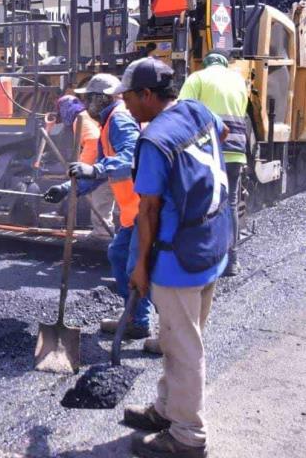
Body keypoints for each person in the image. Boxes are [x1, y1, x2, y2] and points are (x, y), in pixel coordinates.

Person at [118, 57, 231, 458]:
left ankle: (187, 437)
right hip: (213, 240)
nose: (126, 106)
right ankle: (168, 409)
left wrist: (140, 267)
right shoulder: (197, 110)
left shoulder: (153, 141)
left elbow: (147, 210)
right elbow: (225, 132)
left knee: (183, 346)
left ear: (147, 95)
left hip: (178, 256)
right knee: (178, 336)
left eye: (129, 97)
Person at [44, 75, 154, 340]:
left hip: (144, 208)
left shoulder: (120, 119)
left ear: (101, 97)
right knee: (117, 255)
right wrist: (68, 190)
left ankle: (149, 321)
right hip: (131, 212)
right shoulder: (107, 123)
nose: (84, 103)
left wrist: (96, 168)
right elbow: (100, 174)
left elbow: (130, 157)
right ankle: (135, 317)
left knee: (134, 267)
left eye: (88, 97)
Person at [178, 50, 248, 276]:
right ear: (225, 63)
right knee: (230, 204)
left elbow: (182, 111)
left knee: (203, 203)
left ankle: (205, 257)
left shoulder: (197, 78)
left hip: (209, 153)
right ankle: (232, 260)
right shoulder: (239, 81)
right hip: (236, 152)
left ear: (206, 62)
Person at [53, 93, 116, 240]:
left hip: (99, 165)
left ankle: (103, 235)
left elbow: (93, 141)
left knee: (101, 199)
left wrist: (83, 167)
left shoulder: (80, 119)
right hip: (107, 162)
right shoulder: (87, 115)